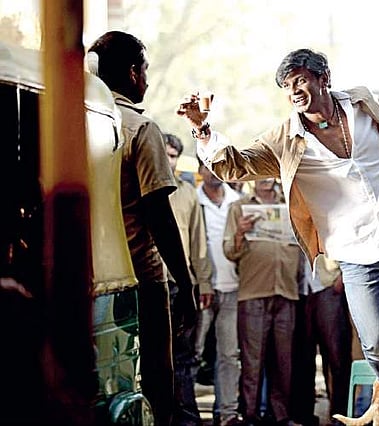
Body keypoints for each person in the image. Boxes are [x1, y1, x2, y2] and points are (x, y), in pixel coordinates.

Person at [177, 48, 379, 426]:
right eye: (287, 86)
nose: (294, 91)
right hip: (356, 252)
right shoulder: (286, 140)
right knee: (377, 344)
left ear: (323, 78)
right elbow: (236, 165)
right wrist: (202, 130)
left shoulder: (363, 105)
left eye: (300, 80)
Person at [88, 31, 197, 425]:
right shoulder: (140, 127)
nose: (147, 81)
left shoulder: (72, 124)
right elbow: (158, 214)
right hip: (141, 278)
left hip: (91, 276)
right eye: (145, 70)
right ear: (134, 73)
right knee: (156, 380)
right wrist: (185, 282)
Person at [223, 178, 302, 426]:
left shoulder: (289, 205)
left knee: (283, 360)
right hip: (253, 292)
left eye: (269, 173)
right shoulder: (239, 208)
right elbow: (229, 251)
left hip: (286, 292)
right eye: (260, 174)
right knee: (252, 361)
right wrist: (240, 233)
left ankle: (280, 415)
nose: (265, 178)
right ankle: (250, 415)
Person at [165, 133, 214, 426]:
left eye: (173, 156)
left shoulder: (187, 193)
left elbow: (198, 242)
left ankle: (187, 418)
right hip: (149, 283)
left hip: (181, 284)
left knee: (183, 356)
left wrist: (203, 283)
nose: (168, 160)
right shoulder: (138, 187)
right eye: (164, 154)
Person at [195, 157, 243, 426]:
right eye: (208, 166)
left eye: (218, 166)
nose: (214, 172)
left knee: (229, 355)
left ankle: (227, 413)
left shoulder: (238, 202)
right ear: (200, 170)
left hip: (233, 288)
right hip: (202, 290)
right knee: (193, 353)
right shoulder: (193, 200)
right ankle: (186, 412)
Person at [291, 254, 352, 426]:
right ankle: (304, 414)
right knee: (302, 357)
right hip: (299, 290)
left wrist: (343, 276)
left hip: (328, 286)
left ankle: (339, 415)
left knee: (337, 356)